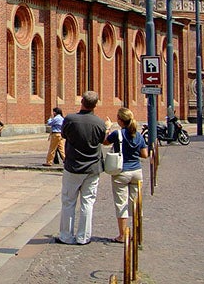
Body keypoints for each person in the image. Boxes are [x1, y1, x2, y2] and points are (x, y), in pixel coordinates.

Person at [57, 91, 106, 245]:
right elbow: (102, 140)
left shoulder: (70, 119)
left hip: (73, 166)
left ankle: (66, 236)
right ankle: (84, 237)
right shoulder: (100, 123)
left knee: (68, 202)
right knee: (88, 202)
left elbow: (64, 135)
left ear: (82, 101)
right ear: (96, 105)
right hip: (92, 168)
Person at [104, 107, 148, 242]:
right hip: (137, 172)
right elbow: (145, 155)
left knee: (121, 204)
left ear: (120, 120)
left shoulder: (117, 134)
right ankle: (138, 234)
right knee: (136, 204)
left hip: (121, 172)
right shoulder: (138, 135)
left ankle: (122, 235)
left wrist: (108, 128)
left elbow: (105, 142)